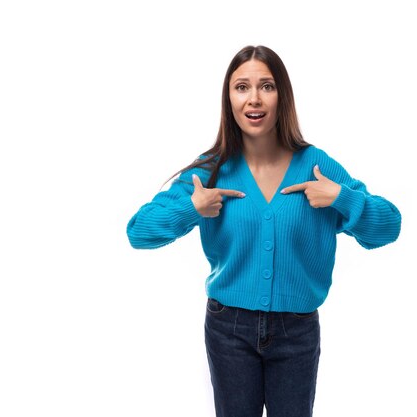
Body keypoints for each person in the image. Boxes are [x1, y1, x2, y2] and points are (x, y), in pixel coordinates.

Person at [127, 45, 401, 417]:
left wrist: (341, 198)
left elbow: (388, 225)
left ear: (282, 96)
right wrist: (192, 207)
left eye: (266, 86)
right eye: (242, 87)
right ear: (229, 98)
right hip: (228, 329)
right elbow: (138, 231)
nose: (254, 99)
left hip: (298, 331)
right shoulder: (210, 171)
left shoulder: (316, 165)